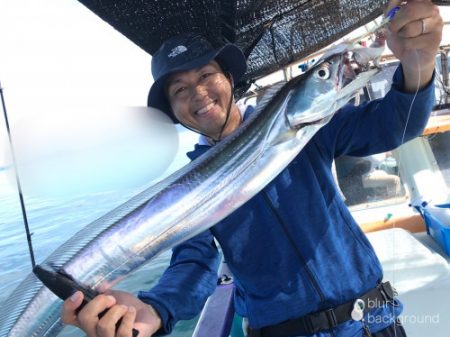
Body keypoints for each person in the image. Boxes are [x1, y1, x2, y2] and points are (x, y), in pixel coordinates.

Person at [62, 1, 443, 336]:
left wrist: (418, 62)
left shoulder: (304, 124)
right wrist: (156, 309)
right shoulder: (189, 187)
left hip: (372, 325)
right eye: (179, 90)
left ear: (229, 79)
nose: (197, 94)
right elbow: (193, 263)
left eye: (206, 75)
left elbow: (394, 125)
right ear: (174, 112)